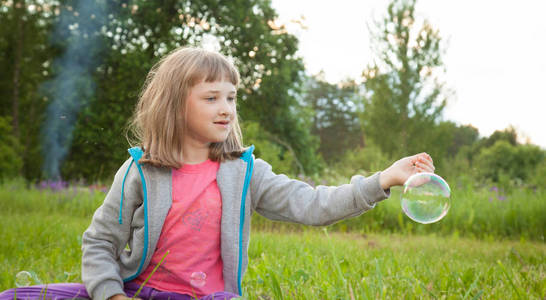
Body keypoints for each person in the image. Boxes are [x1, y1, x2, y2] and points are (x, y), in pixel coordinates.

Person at [0, 47, 434, 300]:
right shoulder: (139, 170)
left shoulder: (244, 172)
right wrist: (112, 295)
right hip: (137, 292)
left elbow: (312, 204)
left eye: (231, 97)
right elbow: (100, 242)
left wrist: (383, 179)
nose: (226, 108)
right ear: (175, 105)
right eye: (211, 97)